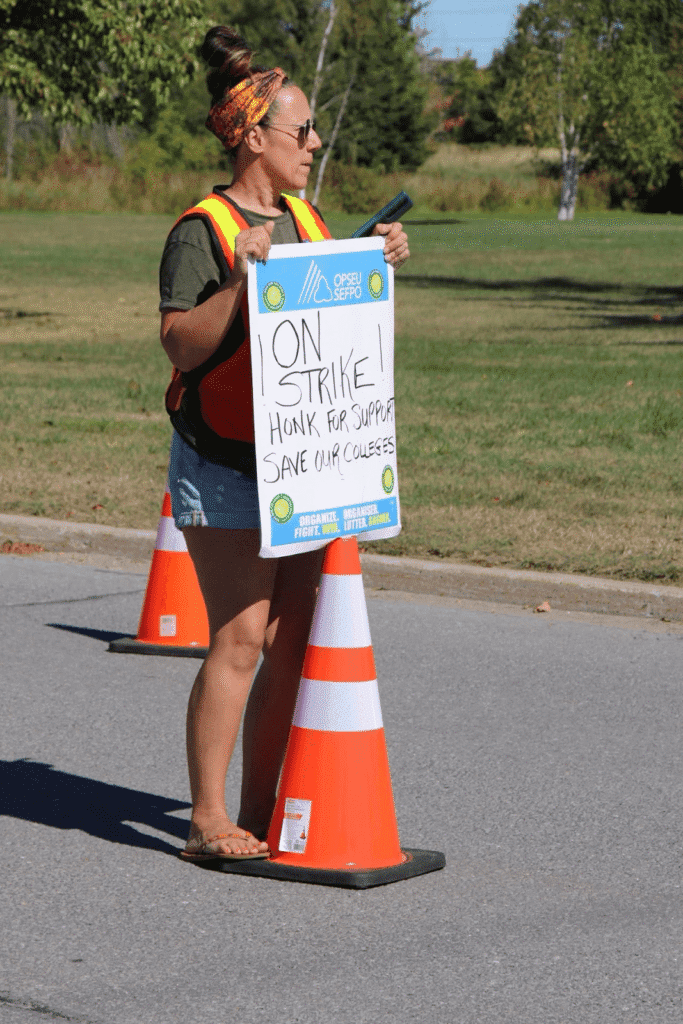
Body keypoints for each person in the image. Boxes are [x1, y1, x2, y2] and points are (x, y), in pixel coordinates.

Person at [159, 25, 410, 861]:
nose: (314, 143)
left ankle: (262, 810)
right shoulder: (202, 228)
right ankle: (206, 820)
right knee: (240, 638)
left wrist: (374, 263)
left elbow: (334, 323)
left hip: (301, 463)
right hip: (223, 463)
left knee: (292, 641)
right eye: (301, 131)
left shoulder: (304, 216)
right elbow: (179, 345)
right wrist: (239, 282)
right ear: (253, 138)